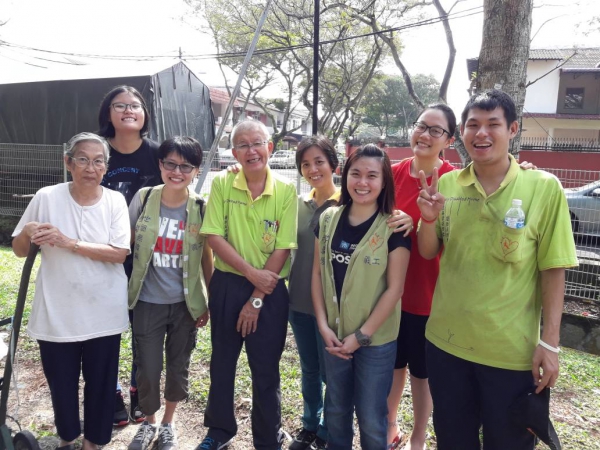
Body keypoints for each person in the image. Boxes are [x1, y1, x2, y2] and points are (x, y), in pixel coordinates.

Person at [416, 89, 578, 449]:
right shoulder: (447, 184)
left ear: (514, 129)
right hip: (446, 346)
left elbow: (553, 270)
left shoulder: (543, 188)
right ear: (461, 132)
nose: (481, 133)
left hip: (511, 355)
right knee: (453, 441)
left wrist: (549, 343)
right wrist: (428, 219)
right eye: (473, 125)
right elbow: (428, 252)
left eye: (493, 124)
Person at [11, 132, 130, 450]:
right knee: (61, 381)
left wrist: (68, 242)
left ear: (105, 167)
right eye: (83, 159)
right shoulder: (47, 197)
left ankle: (94, 442)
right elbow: (20, 250)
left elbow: (119, 252)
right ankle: (67, 437)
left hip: (103, 308)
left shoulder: (115, 201)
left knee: (102, 382)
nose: (90, 167)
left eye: (98, 161)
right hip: (57, 309)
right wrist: (27, 231)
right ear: (68, 162)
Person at [197, 119, 298, 450]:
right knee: (222, 364)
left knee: (266, 371)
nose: (251, 150)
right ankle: (219, 429)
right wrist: (251, 273)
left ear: (270, 147)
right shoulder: (224, 185)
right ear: (234, 151)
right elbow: (213, 234)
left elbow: (283, 247)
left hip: (269, 295)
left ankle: (267, 438)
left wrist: (256, 298)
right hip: (228, 284)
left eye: (257, 143)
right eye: (242, 144)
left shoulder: (285, 190)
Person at [312, 144, 411, 450]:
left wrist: (361, 336)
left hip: (375, 342)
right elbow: (317, 274)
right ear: (346, 176)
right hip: (334, 337)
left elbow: (395, 289)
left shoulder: (394, 226)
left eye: (372, 175)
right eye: (356, 173)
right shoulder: (328, 218)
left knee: (371, 416)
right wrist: (323, 326)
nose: (362, 182)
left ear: (384, 183)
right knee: (336, 410)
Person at [127, 137, 213, 450]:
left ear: (196, 170)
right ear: (160, 165)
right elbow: (127, 243)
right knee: (147, 369)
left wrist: (208, 302)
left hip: (184, 305)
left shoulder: (201, 206)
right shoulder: (144, 197)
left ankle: (168, 424)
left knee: (178, 367)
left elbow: (207, 257)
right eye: (170, 164)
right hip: (147, 302)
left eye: (185, 166)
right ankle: (149, 422)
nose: (177, 171)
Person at [386, 104, 457, 450]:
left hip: (430, 295)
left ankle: (418, 436)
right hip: (388, 294)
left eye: (436, 130)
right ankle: (391, 424)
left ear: (449, 140)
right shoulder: (392, 174)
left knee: (422, 374)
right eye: (421, 126)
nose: (425, 135)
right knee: (393, 365)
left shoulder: (456, 182)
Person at [97, 85, 162, 425]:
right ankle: (111, 395)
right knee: (105, 330)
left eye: (135, 105)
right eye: (119, 105)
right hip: (102, 256)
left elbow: (184, 175)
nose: (128, 110)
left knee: (143, 331)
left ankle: (140, 391)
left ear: (144, 114)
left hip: (145, 259)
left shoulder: (156, 153)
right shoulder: (96, 151)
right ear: (108, 113)